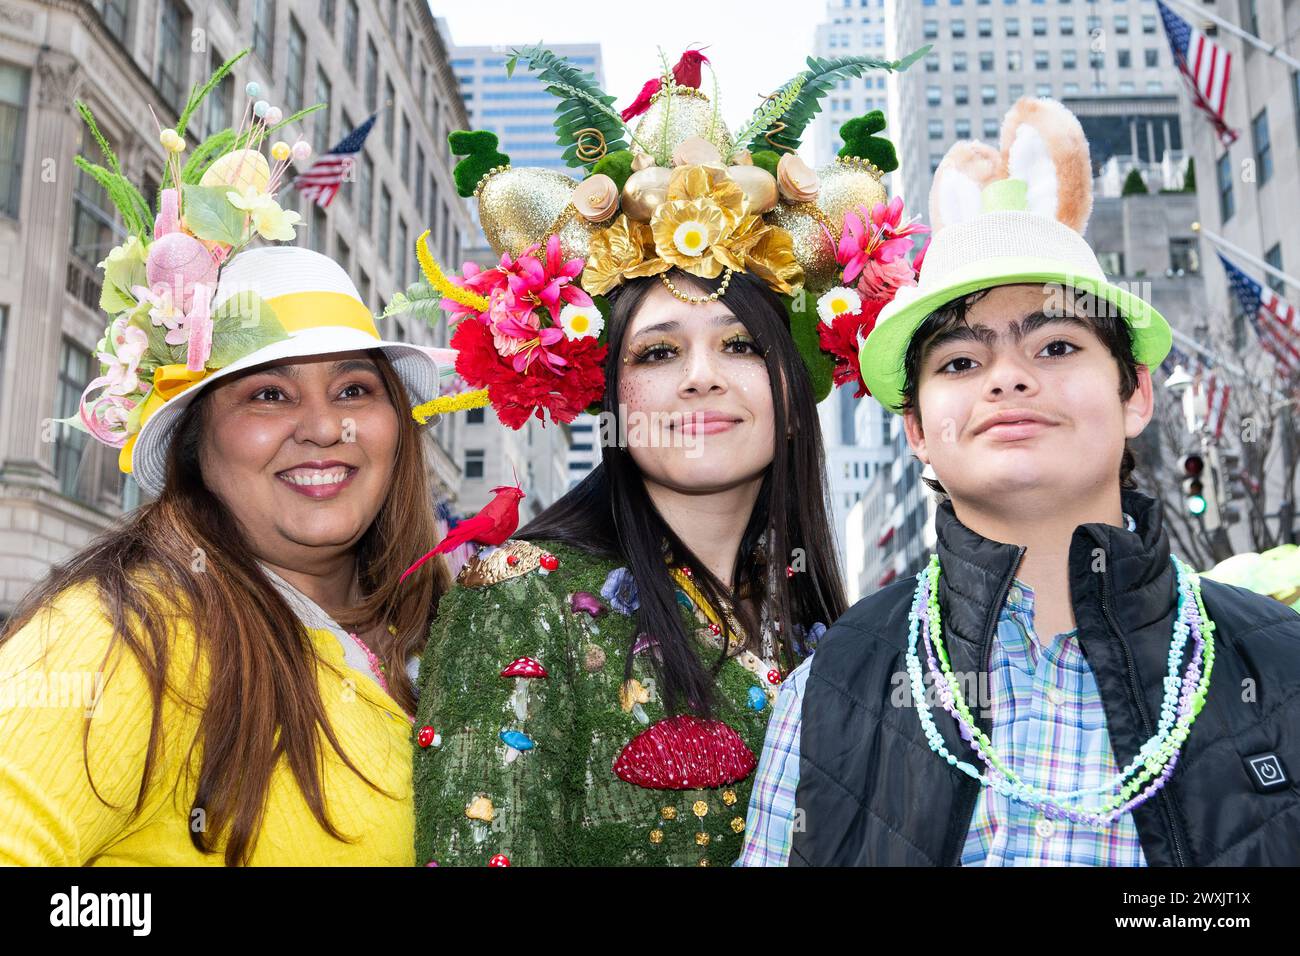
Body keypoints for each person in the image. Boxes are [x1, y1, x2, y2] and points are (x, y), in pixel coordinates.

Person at [400, 44, 932, 866]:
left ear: (795, 396)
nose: (701, 380)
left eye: (742, 347)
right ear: (606, 396)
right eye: (656, 354)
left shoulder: (828, 622)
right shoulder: (520, 599)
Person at [741, 97, 1300, 866]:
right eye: (961, 363)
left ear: (1135, 393)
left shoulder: (1280, 667)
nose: (1007, 380)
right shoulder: (828, 691)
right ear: (916, 430)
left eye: (1057, 347)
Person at [0, 77, 450, 865]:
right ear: (196, 444)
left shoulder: (439, 636)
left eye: (354, 388)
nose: (323, 427)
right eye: (268, 395)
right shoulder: (124, 635)